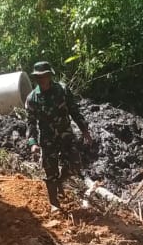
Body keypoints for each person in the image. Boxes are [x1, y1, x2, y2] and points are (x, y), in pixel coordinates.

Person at [25, 61, 92, 211]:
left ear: (49, 76)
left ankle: (60, 181)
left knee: (76, 165)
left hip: (66, 135)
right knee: (50, 171)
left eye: (44, 76)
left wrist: (85, 131)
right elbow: (31, 123)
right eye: (38, 77)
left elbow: (74, 111)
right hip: (48, 139)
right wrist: (33, 143)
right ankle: (54, 203)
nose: (41, 79)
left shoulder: (62, 90)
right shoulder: (32, 98)